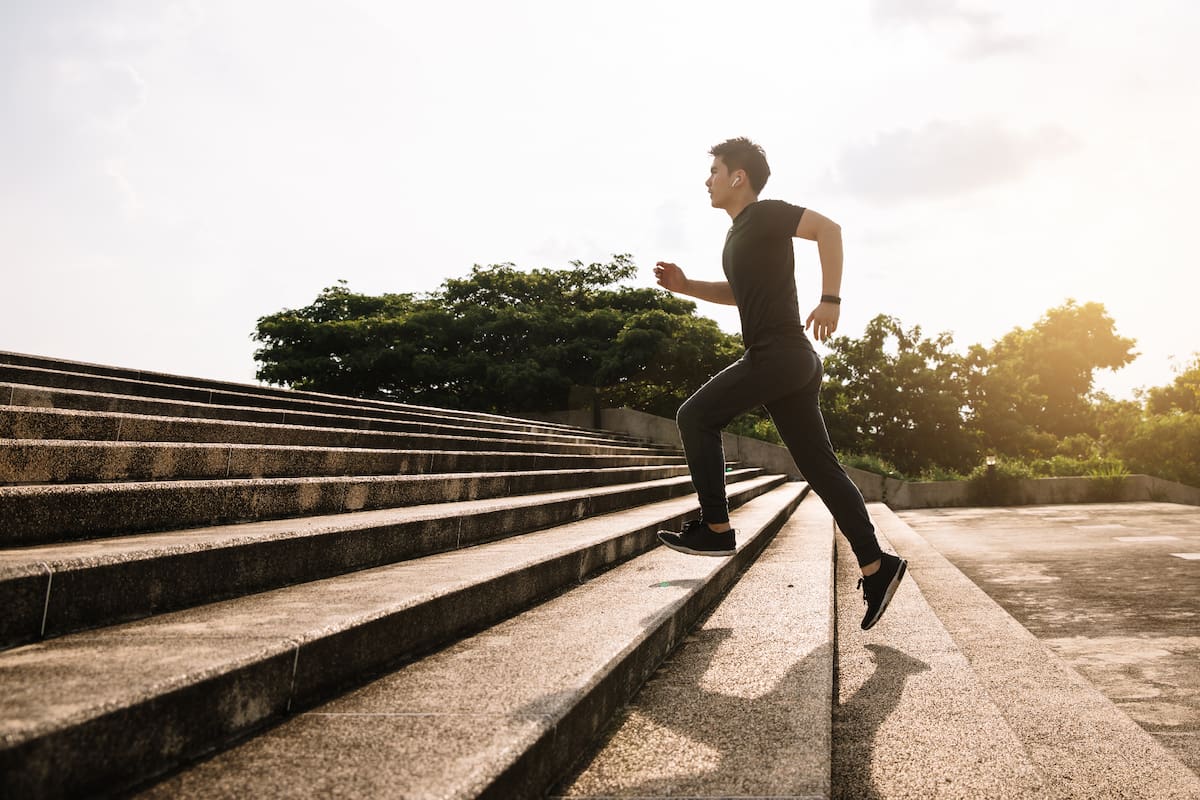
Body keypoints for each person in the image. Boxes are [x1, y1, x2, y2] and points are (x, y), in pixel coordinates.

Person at [654, 137, 905, 630]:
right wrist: (688, 287)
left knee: (695, 416)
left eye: (714, 171)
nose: (707, 180)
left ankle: (715, 527)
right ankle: (877, 566)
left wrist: (831, 298)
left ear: (738, 177)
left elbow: (829, 229)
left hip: (778, 355)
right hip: (790, 362)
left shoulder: (765, 214)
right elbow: (739, 293)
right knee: (821, 469)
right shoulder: (739, 234)